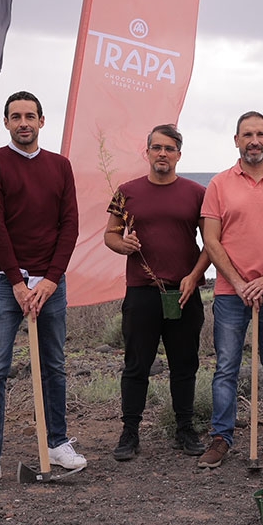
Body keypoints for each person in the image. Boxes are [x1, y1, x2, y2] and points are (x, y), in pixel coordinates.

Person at [0, 91, 85, 491]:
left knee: (53, 366)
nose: (24, 122)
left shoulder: (60, 166)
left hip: (51, 282)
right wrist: (19, 284)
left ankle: (57, 444)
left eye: (30, 116)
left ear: (41, 121)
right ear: (6, 123)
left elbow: (69, 225)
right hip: (6, 282)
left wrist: (51, 280)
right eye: (16, 116)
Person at [197, 111, 263, 468]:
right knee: (226, 366)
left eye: (260, 134)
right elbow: (210, 239)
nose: (254, 140)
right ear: (236, 140)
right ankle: (221, 438)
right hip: (231, 293)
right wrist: (241, 282)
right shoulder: (218, 184)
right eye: (247, 134)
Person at [103, 123, 211, 461]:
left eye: (169, 148)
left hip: (184, 291)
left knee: (184, 364)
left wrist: (194, 276)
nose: (162, 154)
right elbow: (110, 235)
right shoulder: (126, 191)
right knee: (136, 365)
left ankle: (185, 430)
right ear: (146, 152)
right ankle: (129, 432)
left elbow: (212, 243)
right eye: (156, 148)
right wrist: (124, 244)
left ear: (179, 154)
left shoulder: (196, 192)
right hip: (142, 292)